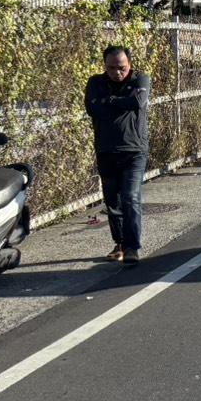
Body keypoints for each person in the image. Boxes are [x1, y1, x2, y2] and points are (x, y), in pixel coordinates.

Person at [84, 45, 150, 267]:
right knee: (113, 201)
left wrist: (109, 100)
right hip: (106, 149)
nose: (117, 72)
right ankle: (120, 243)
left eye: (121, 68)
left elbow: (137, 102)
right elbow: (92, 108)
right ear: (105, 66)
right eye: (111, 68)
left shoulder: (140, 80)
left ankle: (132, 247)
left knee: (130, 197)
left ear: (129, 64)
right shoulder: (96, 82)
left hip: (134, 150)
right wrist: (118, 101)